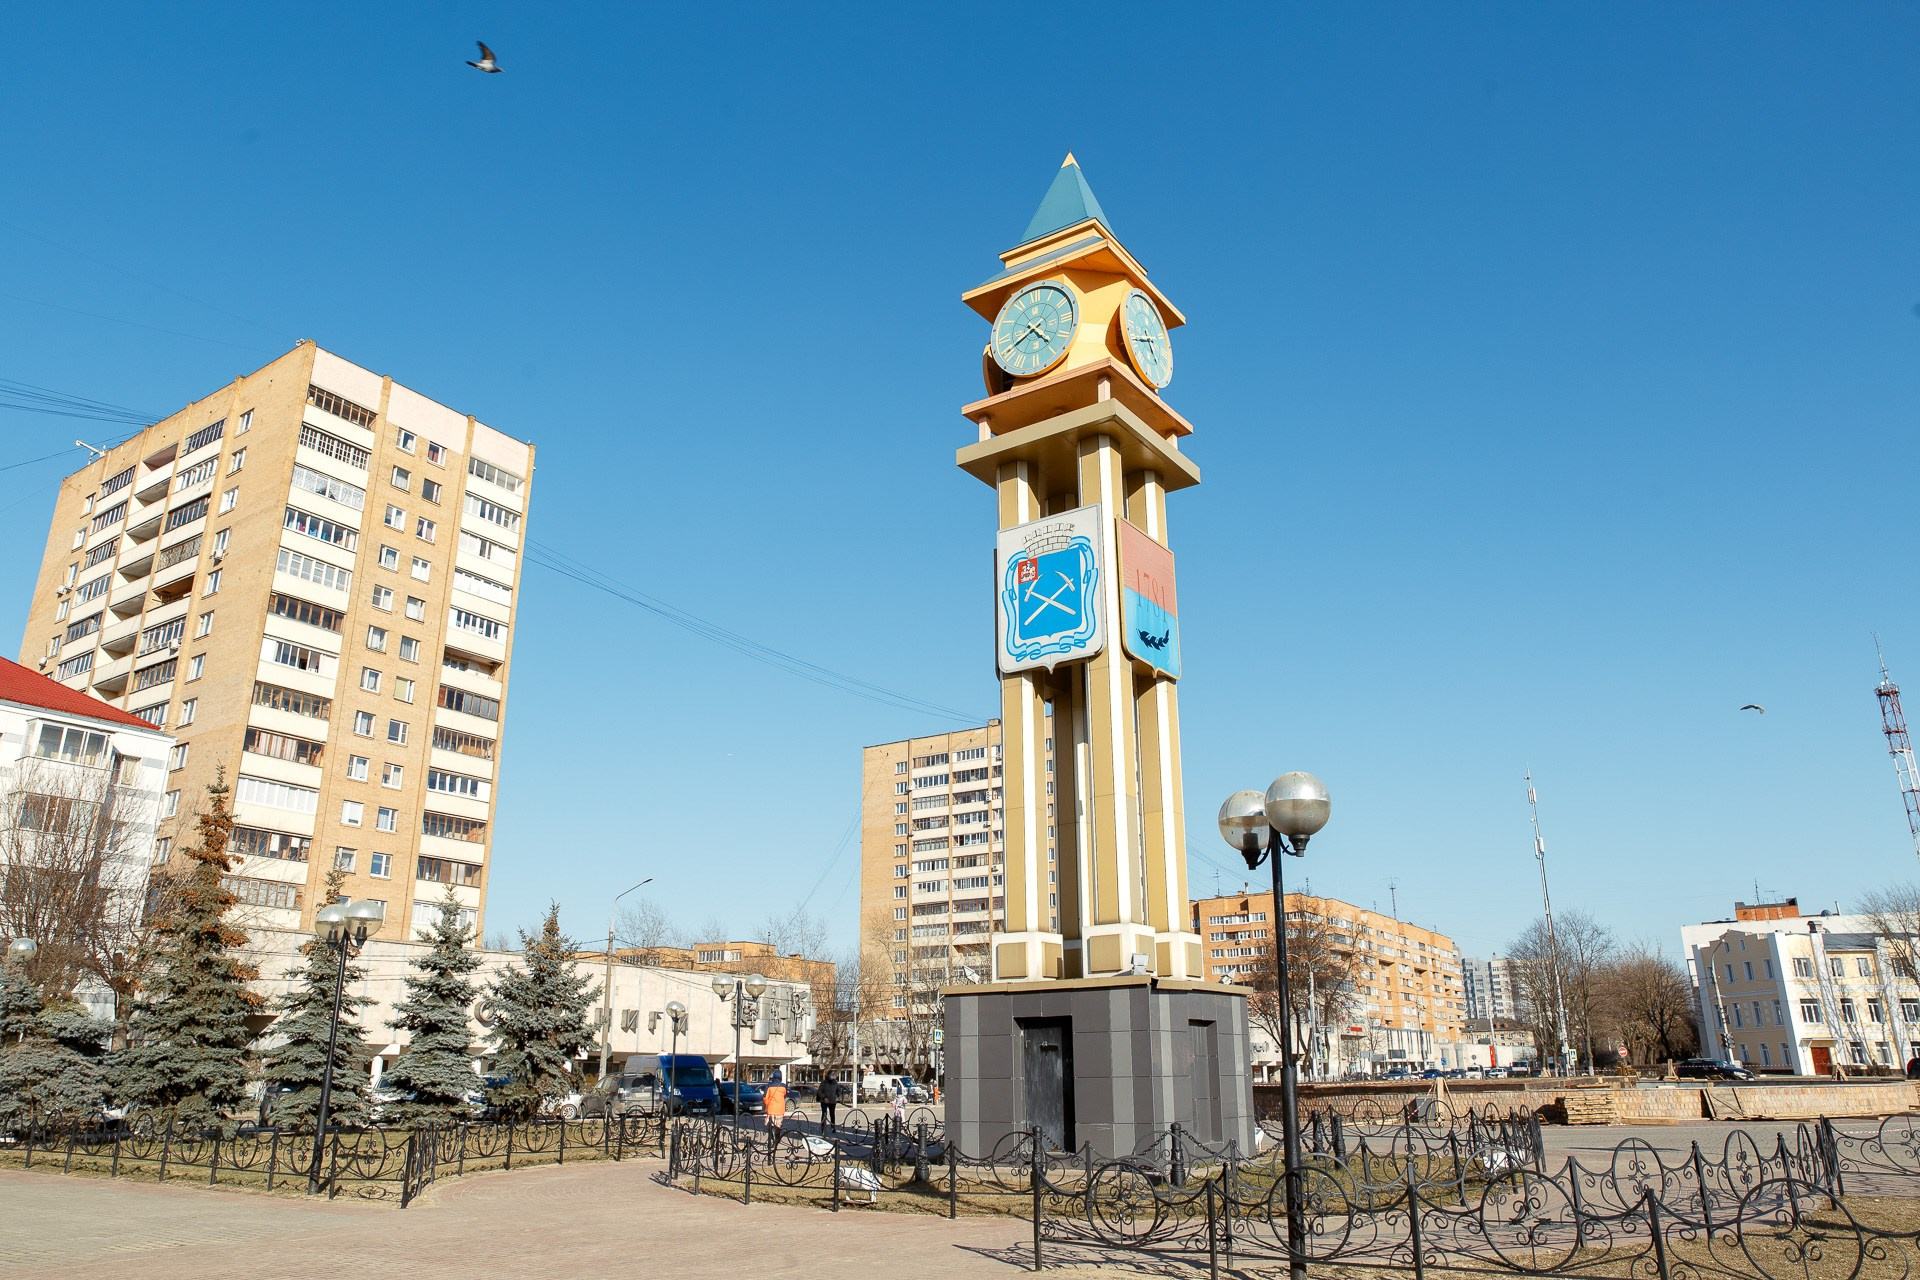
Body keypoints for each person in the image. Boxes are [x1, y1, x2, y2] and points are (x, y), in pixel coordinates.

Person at [763, 1070, 788, 1152]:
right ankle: (777, 1140)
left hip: (771, 1109)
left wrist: (767, 1104)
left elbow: (765, 1097)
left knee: (771, 1126)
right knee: (778, 1125)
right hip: (780, 1109)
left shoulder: (769, 1086)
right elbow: (784, 1095)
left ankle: (771, 1141)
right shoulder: (784, 1086)